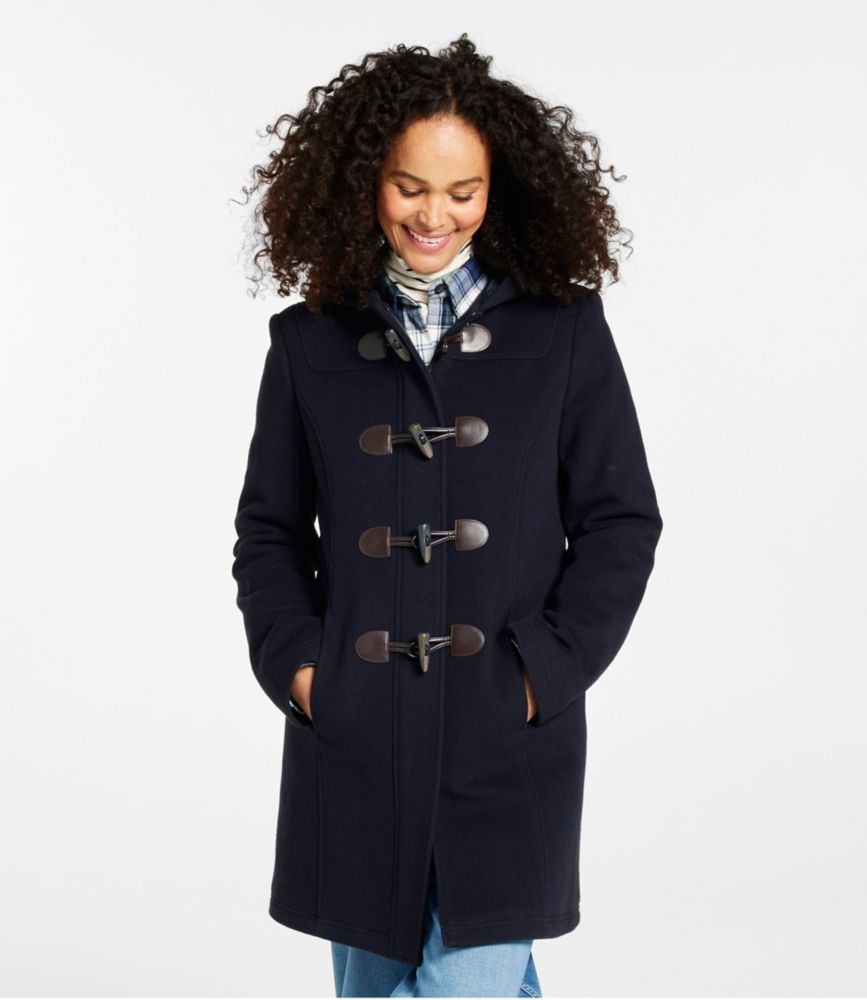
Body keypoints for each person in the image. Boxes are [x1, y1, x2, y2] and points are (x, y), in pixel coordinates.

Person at [231, 33, 663, 998]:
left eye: (462, 191)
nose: (434, 215)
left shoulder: (562, 330)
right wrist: (302, 669)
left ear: (498, 190)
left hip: (506, 740)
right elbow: (268, 532)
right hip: (356, 740)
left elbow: (620, 520)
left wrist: (541, 673)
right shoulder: (308, 343)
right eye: (408, 187)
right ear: (365, 184)